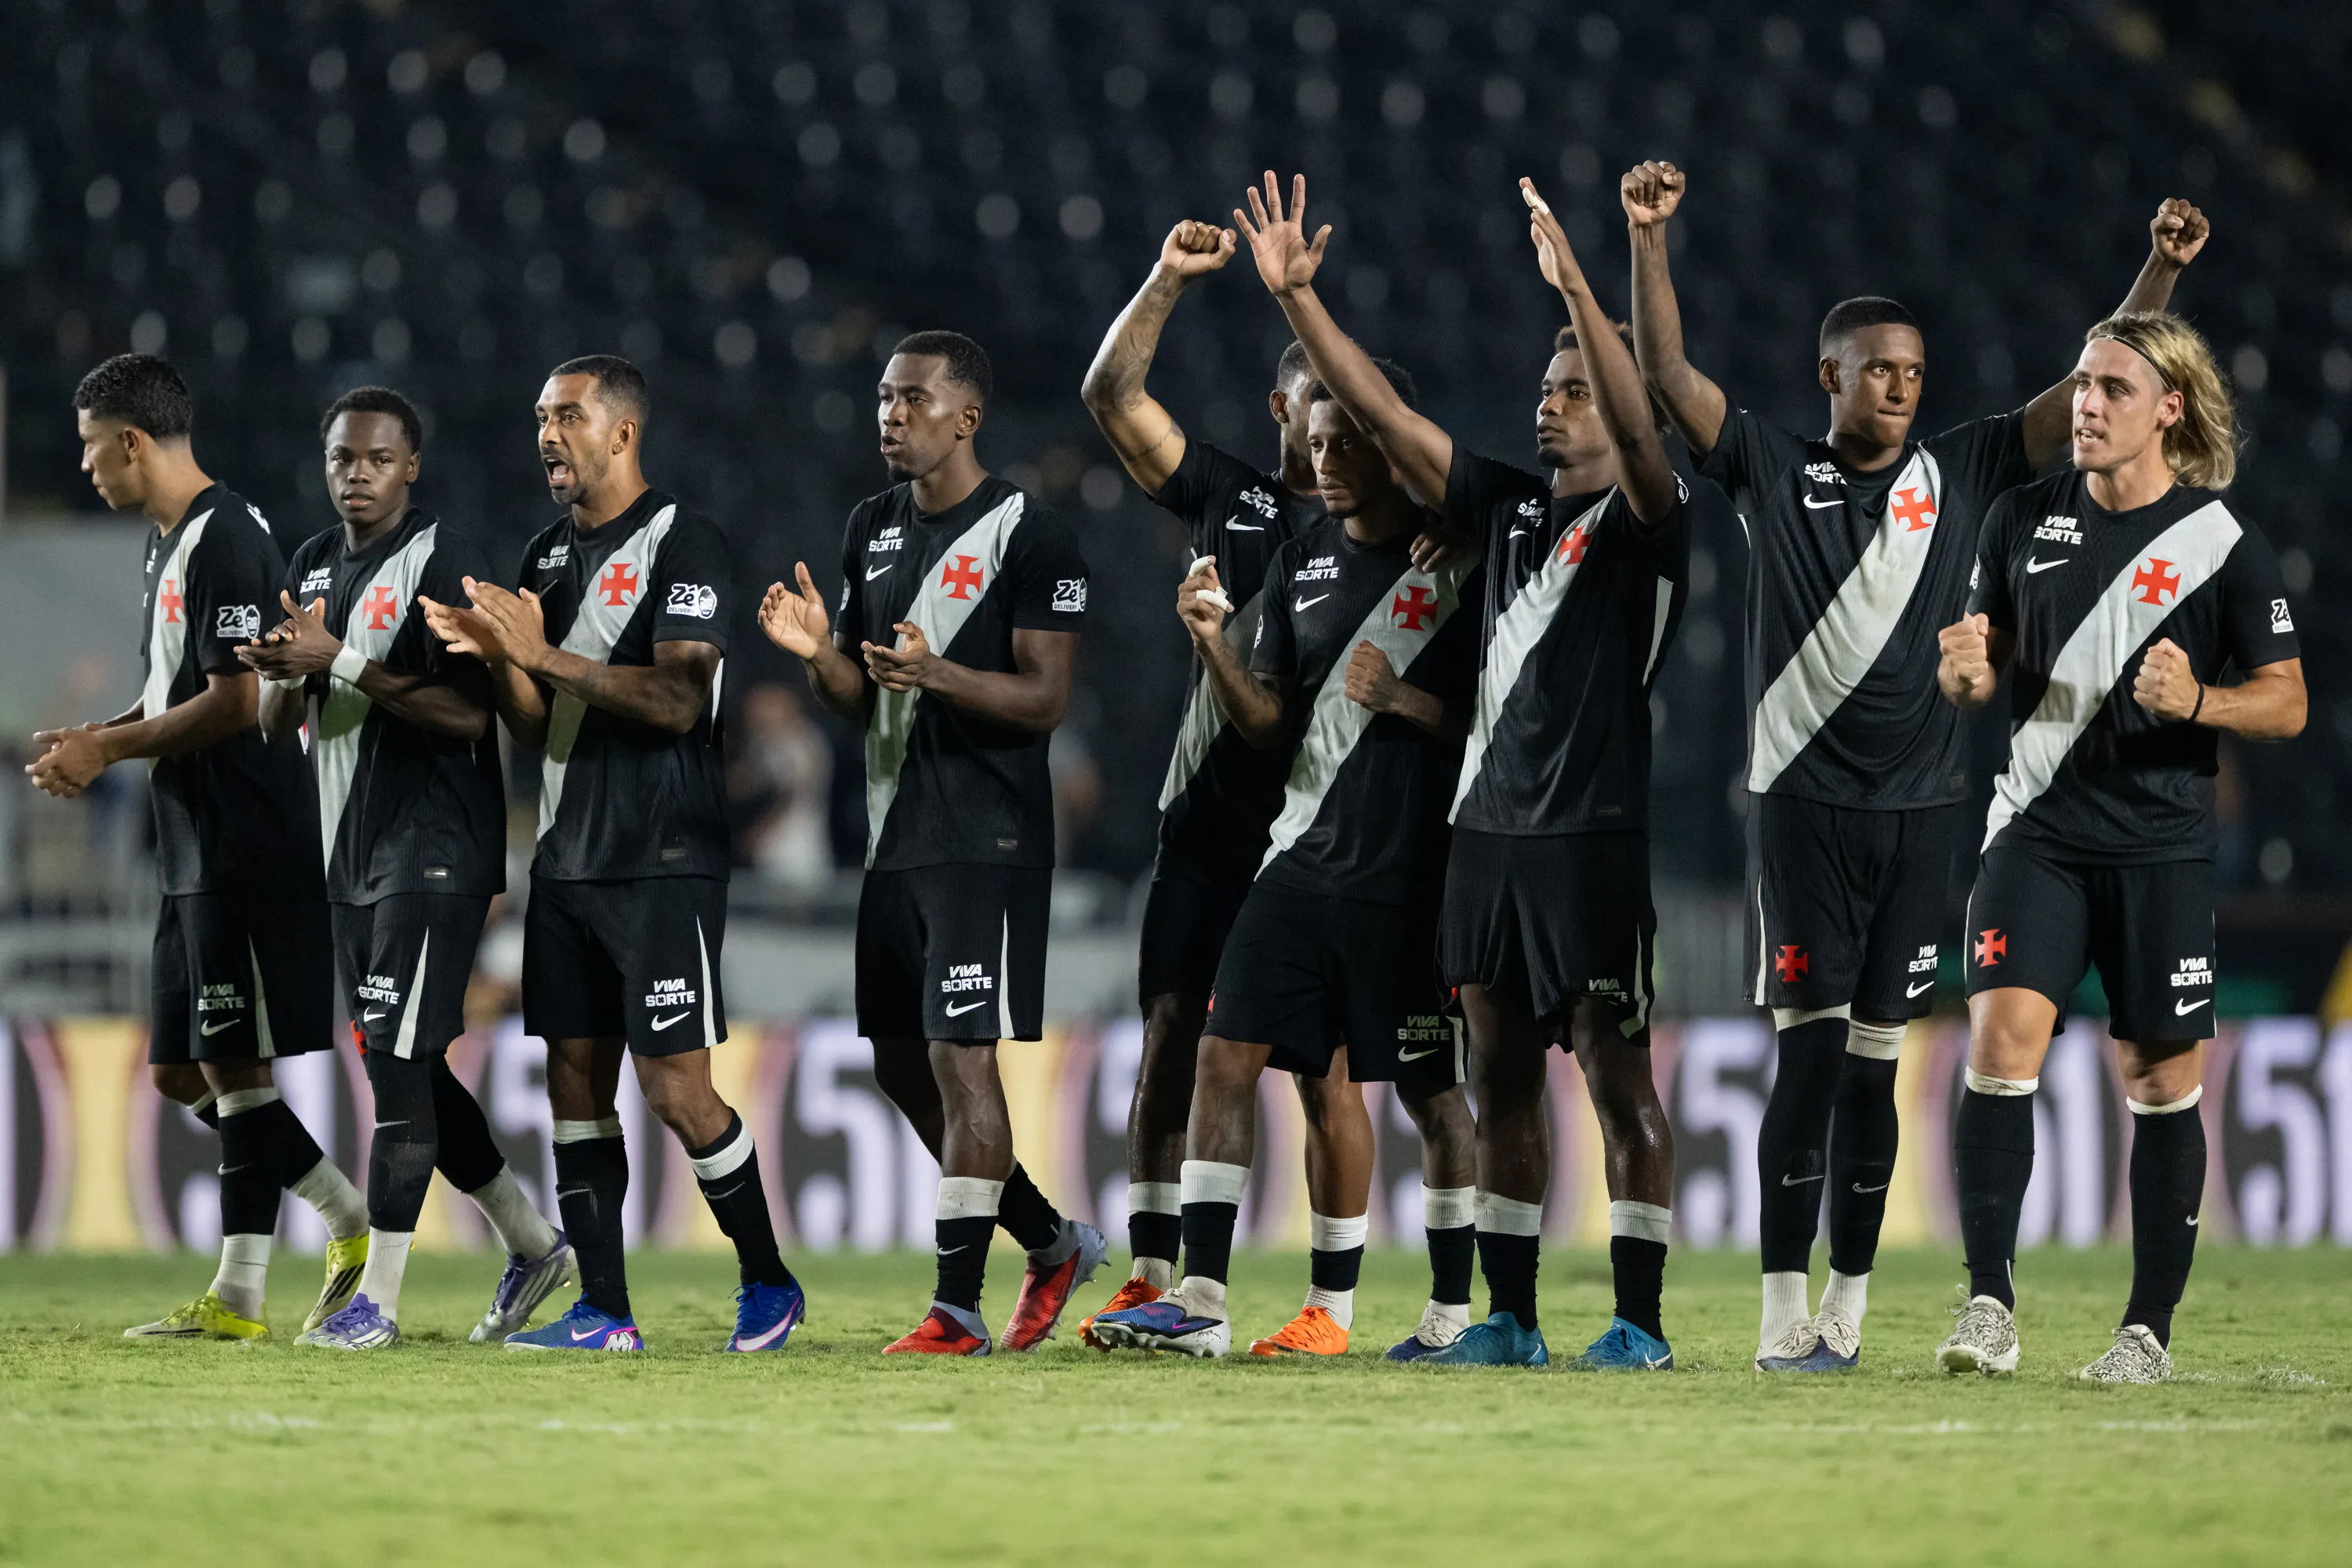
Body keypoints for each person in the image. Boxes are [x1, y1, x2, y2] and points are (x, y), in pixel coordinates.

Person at [1622, 159, 2212, 1370]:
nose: (1897, 389)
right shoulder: (1773, 471)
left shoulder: (1968, 468)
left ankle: (1849, 1300)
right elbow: (1669, 380)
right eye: (1875, 370)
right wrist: (1649, 240)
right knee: (1805, 1066)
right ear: (1828, 376)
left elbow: (2087, 392)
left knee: (1875, 1076)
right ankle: (1783, 1311)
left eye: (1913, 375)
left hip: (1927, 817)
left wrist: (2160, 272)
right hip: (1800, 816)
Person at [1091, 184, 1482, 1359]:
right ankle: (1175, 1288)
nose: (1327, 449)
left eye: (1347, 430)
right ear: (1287, 417)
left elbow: (1486, 703)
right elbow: (1109, 398)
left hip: (1387, 851)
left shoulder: (1446, 550)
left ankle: (1368, 1307)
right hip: (1250, 838)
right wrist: (1211, 635)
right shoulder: (1253, 511)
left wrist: (1409, 686)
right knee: (1187, 1037)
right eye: (1315, 430)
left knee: (1360, 1083)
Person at [1934, 312, 2303, 1381]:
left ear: (2169, 410)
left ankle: (2146, 1333)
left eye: (2113, 390)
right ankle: (1989, 1306)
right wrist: (1962, 672)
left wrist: (2201, 700)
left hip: (2160, 853)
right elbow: (1976, 678)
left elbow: (2287, 705)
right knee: (2000, 1047)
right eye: (2082, 384)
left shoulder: (2225, 545)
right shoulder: (2017, 517)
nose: (2086, 405)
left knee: (2158, 1079)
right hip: (2035, 838)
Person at [421, 355, 804, 1353]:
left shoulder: (687, 543)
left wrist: (537, 651)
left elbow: (678, 700)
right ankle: (605, 1310)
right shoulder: (545, 557)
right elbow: (535, 718)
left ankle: (768, 1280)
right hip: (565, 858)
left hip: (664, 856)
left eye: (568, 415)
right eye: (539, 416)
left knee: (677, 1089)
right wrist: (500, 658)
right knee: (574, 1083)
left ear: (623, 430)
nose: (547, 433)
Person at [760, 331, 1104, 1356]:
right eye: (882, 398)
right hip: (892, 838)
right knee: (900, 1069)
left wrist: (940, 673)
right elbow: (858, 697)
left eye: (912, 399)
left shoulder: (1032, 534)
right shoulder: (871, 525)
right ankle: (1048, 1239)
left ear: (968, 417)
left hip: (987, 838)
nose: (891, 415)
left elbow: (1044, 700)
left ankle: (955, 1307)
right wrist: (819, 652)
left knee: (963, 1060)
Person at [32, 353, 367, 1340]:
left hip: (243, 838)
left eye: (94, 449)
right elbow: (176, 686)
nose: (88, 467)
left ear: (132, 441)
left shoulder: (225, 538)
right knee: (184, 1071)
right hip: (192, 841)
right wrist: (95, 734)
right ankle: (338, 1217)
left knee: (231, 1067)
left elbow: (231, 703)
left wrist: (111, 749)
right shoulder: (169, 540)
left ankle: (250, 1288)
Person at [238, 385, 572, 1349]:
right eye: (343, 458)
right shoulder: (307, 563)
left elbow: (470, 716)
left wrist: (338, 658)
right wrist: (278, 674)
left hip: (433, 850)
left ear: (410, 466)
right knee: (408, 1062)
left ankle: (375, 1300)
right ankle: (531, 1239)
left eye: (378, 459)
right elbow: (276, 723)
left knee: (394, 1065)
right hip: (350, 858)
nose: (358, 475)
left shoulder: (442, 558)